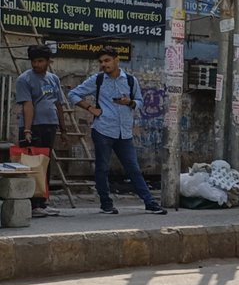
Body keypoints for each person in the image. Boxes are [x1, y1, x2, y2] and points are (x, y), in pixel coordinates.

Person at [68, 47, 167, 215]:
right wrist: (91, 108)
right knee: (102, 168)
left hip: (124, 132)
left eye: (107, 60)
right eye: (101, 61)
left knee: (133, 168)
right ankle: (106, 204)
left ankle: (150, 202)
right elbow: (73, 94)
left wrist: (129, 102)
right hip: (103, 129)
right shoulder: (97, 80)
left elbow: (140, 102)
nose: (103, 64)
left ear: (116, 60)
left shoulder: (129, 80)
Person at [15, 44, 65, 217]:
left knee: (45, 164)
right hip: (33, 126)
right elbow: (27, 106)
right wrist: (27, 130)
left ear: (48, 61)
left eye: (40, 61)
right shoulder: (24, 79)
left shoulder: (54, 79)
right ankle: (32, 204)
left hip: (49, 125)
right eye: (34, 61)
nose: (36, 64)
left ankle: (42, 202)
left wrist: (63, 129)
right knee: (31, 164)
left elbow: (58, 104)